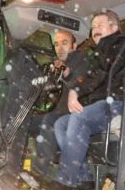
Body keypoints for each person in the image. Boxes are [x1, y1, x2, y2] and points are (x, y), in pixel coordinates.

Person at [53, 10, 125, 190]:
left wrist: (75, 90)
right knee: (61, 124)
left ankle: (65, 181)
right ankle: (84, 177)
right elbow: (88, 76)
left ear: (114, 27)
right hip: (101, 105)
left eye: (100, 26)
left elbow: (99, 74)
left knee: (79, 117)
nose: (95, 30)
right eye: (93, 27)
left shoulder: (119, 45)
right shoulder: (98, 51)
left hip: (116, 103)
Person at [27, 29, 88, 181]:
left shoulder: (82, 60)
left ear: (74, 45)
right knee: (24, 120)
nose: (59, 48)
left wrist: (69, 74)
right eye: (56, 44)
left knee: (49, 121)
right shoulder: (54, 65)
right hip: (53, 109)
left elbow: (84, 83)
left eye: (64, 43)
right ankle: (16, 164)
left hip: (71, 111)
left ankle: (39, 173)